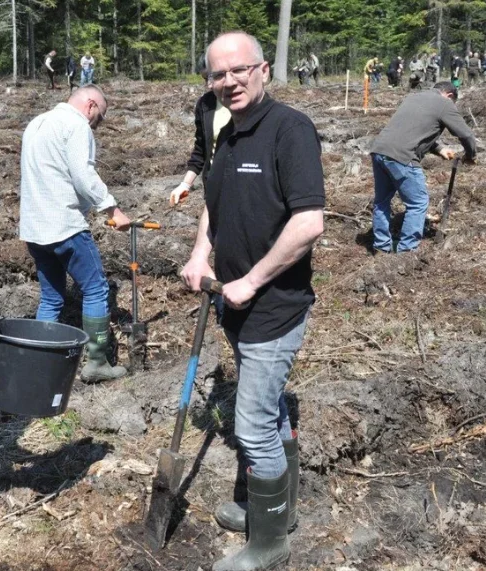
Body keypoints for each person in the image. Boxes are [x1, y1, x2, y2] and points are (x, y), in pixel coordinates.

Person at [181, 31, 325, 571]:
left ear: (263, 70)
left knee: (252, 426)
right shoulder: (230, 135)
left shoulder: (290, 130)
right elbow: (213, 207)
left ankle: (270, 544)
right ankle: (277, 511)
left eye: (239, 70)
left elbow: (309, 222)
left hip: (274, 305)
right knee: (266, 410)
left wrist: (253, 280)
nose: (228, 82)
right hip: (234, 303)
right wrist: (201, 256)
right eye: (218, 74)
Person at [19, 85, 132, 382]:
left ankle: (40, 362)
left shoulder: (37, 123)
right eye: (100, 118)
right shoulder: (76, 125)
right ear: (91, 105)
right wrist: (112, 210)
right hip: (64, 224)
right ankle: (96, 363)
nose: (97, 124)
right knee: (96, 289)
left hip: (34, 227)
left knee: (52, 297)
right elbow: (83, 176)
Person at [369, 82, 477, 253]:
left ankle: (381, 246)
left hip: (379, 151)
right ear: (449, 95)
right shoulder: (445, 103)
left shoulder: (414, 97)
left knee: (381, 202)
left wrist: (440, 149)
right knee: (418, 203)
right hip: (402, 156)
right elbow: (465, 134)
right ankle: (407, 251)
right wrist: (471, 155)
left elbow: (414, 130)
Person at [170, 62, 232, 206]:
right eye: (205, 79)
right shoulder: (205, 104)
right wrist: (185, 185)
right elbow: (201, 150)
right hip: (214, 187)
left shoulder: (246, 104)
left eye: (213, 77)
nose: (209, 85)